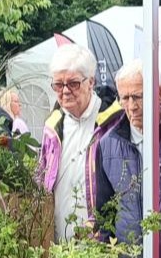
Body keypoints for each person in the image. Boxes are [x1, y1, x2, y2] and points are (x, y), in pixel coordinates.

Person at [91, 60, 161, 258]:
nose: (131, 107)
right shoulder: (107, 145)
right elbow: (104, 215)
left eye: (138, 97)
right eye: (124, 98)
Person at [38, 44, 118, 241]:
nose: (65, 91)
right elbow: (41, 177)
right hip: (58, 238)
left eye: (73, 83)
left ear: (90, 82)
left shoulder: (112, 122)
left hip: (103, 239)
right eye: (58, 84)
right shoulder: (53, 126)